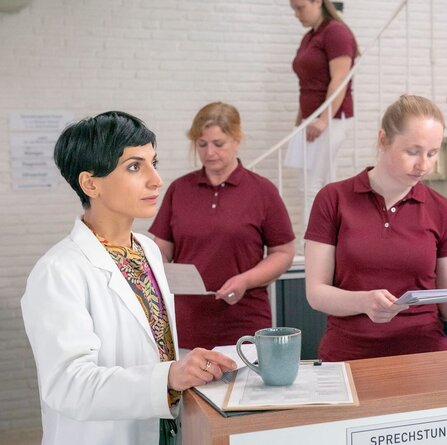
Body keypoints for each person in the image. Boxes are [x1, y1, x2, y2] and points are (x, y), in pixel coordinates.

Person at [21, 111, 237, 445]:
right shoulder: (57, 271)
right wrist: (169, 375)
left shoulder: (147, 250)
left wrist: (184, 368)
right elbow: (68, 385)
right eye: (135, 166)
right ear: (91, 183)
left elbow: (153, 349)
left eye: (154, 162)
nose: (156, 179)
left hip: (161, 431)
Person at [304, 94, 447, 361]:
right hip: (347, 357)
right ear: (383, 140)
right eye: (412, 152)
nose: (424, 165)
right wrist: (363, 302)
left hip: (425, 360)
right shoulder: (333, 199)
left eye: (432, 153)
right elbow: (316, 293)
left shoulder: (444, 212)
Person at [149, 102, 295, 350]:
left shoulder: (262, 191)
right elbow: (161, 248)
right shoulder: (179, 189)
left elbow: (283, 253)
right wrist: (161, 267)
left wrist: (245, 280)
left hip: (244, 322)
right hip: (187, 322)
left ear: (236, 140)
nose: (210, 152)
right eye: (202, 144)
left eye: (219, 144)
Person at [285, 0, 359, 190]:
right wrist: (299, 122)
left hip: (332, 120)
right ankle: (332, 220)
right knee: (322, 183)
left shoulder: (336, 32)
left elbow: (340, 80)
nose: (296, 15)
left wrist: (324, 120)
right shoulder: (310, 37)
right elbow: (307, 84)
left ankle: (311, 221)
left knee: (312, 185)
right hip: (313, 121)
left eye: (300, 8)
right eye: (294, 9)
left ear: (318, 2)